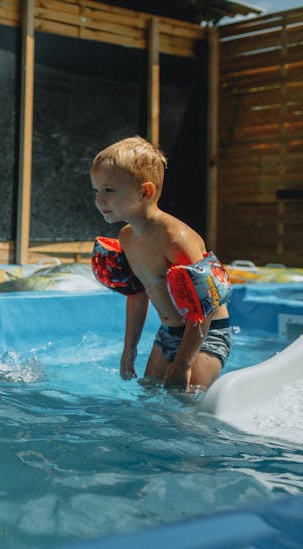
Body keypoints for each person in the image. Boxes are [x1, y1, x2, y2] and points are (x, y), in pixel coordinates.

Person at [90, 136, 230, 391]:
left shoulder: (175, 239)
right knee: (149, 397)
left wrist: (184, 362)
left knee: (185, 401)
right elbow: (137, 295)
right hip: (168, 333)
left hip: (205, 334)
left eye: (109, 190)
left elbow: (205, 306)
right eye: (96, 190)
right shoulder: (128, 238)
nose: (99, 200)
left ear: (145, 192)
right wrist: (129, 349)